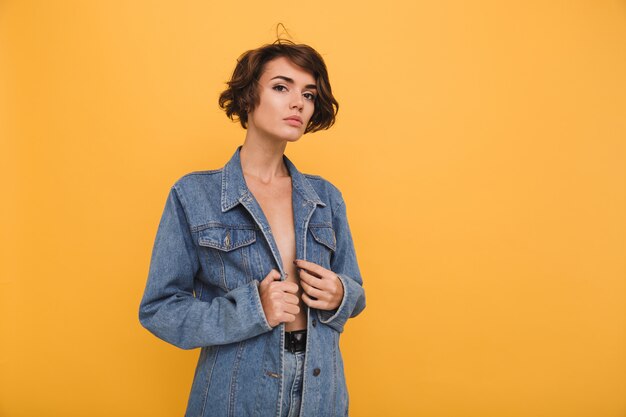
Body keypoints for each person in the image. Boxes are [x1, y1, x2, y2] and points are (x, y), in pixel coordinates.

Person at [138, 37, 366, 417]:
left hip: (321, 391)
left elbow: (355, 294)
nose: (298, 103)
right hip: (237, 390)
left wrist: (341, 293)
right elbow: (160, 309)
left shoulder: (326, 198)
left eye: (308, 95)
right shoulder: (194, 195)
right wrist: (250, 310)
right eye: (281, 87)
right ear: (249, 97)